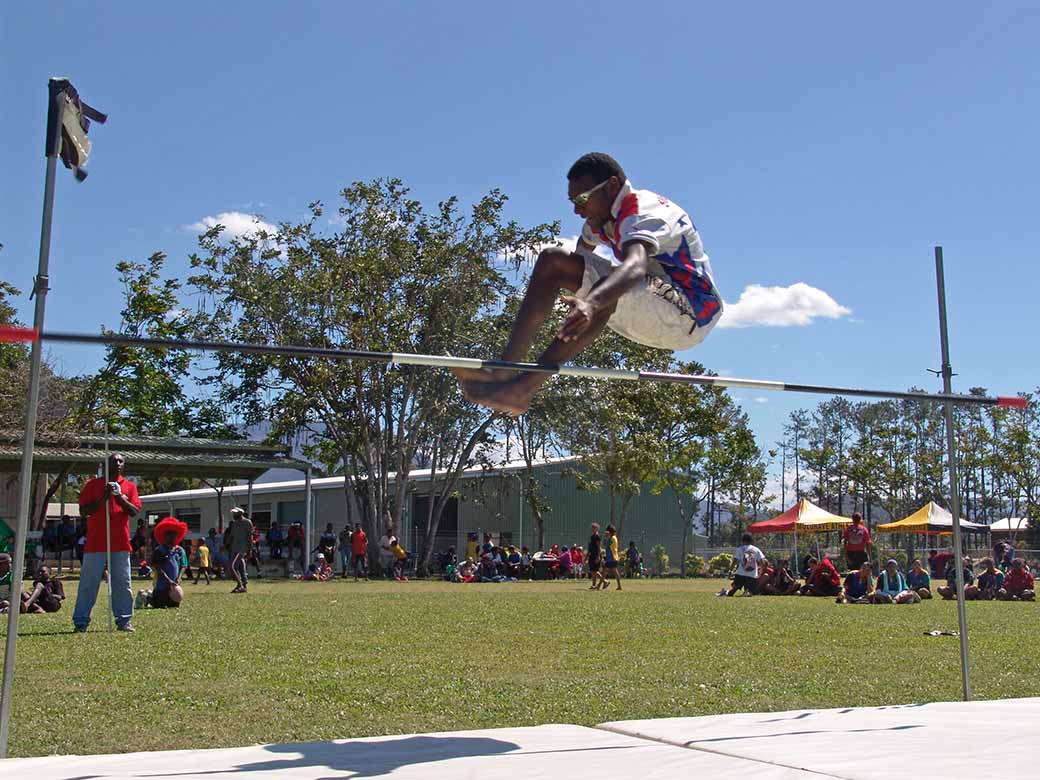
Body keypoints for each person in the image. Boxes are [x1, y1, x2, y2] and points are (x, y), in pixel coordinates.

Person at [452, 152, 722, 415]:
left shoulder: (642, 211)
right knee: (553, 261)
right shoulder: (600, 218)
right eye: (572, 201)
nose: (577, 210)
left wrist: (591, 303)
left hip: (690, 314)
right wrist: (575, 290)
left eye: (582, 199)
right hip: (655, 303)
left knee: (609, 285)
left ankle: (521, 390)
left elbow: (635, 266)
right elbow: (581, 256)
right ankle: (503, 370)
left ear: (613, 185)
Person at [73, 452, 142, 633]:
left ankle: (124, 620)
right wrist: (104, 497)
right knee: (89, 583)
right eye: (114, 461)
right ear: (106, 464)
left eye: (121, 461)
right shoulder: (93, 485)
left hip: (120, 543)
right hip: (96, 543)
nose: (118, 463)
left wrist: (119, 497)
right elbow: (84, 511)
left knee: (122, 583)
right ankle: (81, 621)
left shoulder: (129, 487)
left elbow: (134, 511)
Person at [146, 517, 186, 609]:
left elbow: (184, 565)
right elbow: (157, 567)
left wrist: (179, 578)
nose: (171, 537)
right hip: (161, 586)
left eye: (174, 534)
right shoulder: (159, 550)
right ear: (164, 536)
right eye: (169, 535)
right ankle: (148, 598)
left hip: (174, 586)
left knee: (174, 605)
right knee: (159, 605)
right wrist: (168, 580)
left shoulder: (180, 550)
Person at [224, 507, 254, 594]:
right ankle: (244, 584)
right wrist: (225, 545)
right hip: (234, 547)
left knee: (231, 566)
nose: (233, 515)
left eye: (235, 514)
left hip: (241, 548)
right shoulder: (234, 524)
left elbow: (250, 537)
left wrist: (250, 549)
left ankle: (240, 585)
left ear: (240, 514)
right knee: (241, 566)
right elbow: (231, 536)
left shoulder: (247, 522)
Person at [587, 523, 604, 590]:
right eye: (592, 528)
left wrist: (598, 556)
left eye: (594, 528)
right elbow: (590, 548)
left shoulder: (597, 537)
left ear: (597, 528)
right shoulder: (592, 537)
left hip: (596, 555)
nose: (593, 529)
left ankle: (603, 581)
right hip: (592, 555)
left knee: (595, 570)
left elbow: (599, 547)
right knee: (592, 571)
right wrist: (587, 556)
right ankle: (595, 584)